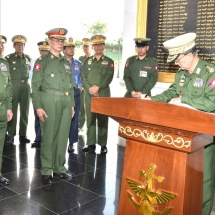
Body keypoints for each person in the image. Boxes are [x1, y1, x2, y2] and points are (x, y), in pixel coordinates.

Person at [143, 32, 215, 215]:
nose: (175, 63)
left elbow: (212, 102)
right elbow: (171, 93)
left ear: (190, 56)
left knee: (203, 182)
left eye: (178, 59)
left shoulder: (210, 73)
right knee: (184, 179)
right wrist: (151, 100)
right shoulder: (182, 74)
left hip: (204, 136)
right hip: (182, 133)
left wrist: (184, 100)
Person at [31, 28, 75, 184]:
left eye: (62, 40)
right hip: (49, 100)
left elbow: (71, 85)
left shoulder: (65, 62)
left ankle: (59, 168)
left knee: (63, 136)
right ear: (49, 41)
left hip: (65, 101)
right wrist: (38, 107)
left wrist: (72, 104)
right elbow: (35, 86)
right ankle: (47, 169)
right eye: (57, 40)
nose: (60, 43)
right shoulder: (42, 61)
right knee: (49, 136)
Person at [81, 35, 114, 154]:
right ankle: (90, 144)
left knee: (103, 120)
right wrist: (90, 88)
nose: (98, 47)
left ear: (104, 46)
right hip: (89, 94)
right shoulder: (87, 61)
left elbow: (108, 77)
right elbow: (83, 76)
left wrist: (97, 87)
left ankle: (103, 144)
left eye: (101, 45)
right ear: (93, 47)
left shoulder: (109, 62)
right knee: (89, 118)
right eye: (96, 45)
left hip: (103, 93)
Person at [5, 35, 31, 145]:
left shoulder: (28, 58)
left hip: (25, 86)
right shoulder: (9, 58)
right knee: (13, 111)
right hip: (14, 86)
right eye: (18, 44)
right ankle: (10, 135)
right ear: (14, 46)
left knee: (25, 111)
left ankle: (23, 134)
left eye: (22, 44)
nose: (20, 46)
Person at [63, 37, 83, 153]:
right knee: (63, 117)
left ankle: (71, 143)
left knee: (74, 118)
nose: (71, 49)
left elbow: (81, 77)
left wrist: (80, 86)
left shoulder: (78, 63)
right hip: (63, 93)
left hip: (75, 92)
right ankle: (61, 141)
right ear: (64, 50)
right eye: (69, 47)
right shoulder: (60, 62)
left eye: (73, 47)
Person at [31, 41, 50, 148]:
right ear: (39, 50)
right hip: (38, 94)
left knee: (49, 118)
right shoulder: (35, 62)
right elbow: (32, 79)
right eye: (42, 50)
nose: (44, 53)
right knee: (38, 117)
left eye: (46, 50)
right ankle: (38, 139)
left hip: (48, 95)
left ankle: (47, 140)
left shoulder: (52, 63)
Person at [0, 35, 13, 185]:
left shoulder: (4, 64)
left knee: (0, 143)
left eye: (2, 44)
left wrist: (9, 107)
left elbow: (9, 86)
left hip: (3, 107)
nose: (1, 46)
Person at [78, 38, 92, 132]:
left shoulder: (94, 58)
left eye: (87, 46)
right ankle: (80, 126)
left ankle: (90, 128)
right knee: (81, 107)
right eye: (84, 46)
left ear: (91, 47)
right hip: (82, 87)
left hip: (91, 87)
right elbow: (79, 72)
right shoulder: (80, 59)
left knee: (91, 109)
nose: (85, 48)